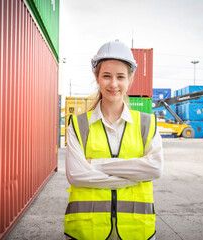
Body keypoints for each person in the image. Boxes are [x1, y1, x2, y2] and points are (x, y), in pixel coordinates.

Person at [64, 40, 164, 240]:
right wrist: (134, 175)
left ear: (130, 79)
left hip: (137, 231)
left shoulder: (146, 124)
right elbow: (76, 175)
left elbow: (154, 169)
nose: (113, 84)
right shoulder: (78, 124)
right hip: (86, 231)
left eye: (120, 77)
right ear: (97, 77)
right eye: (106, 76)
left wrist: (97, 165)